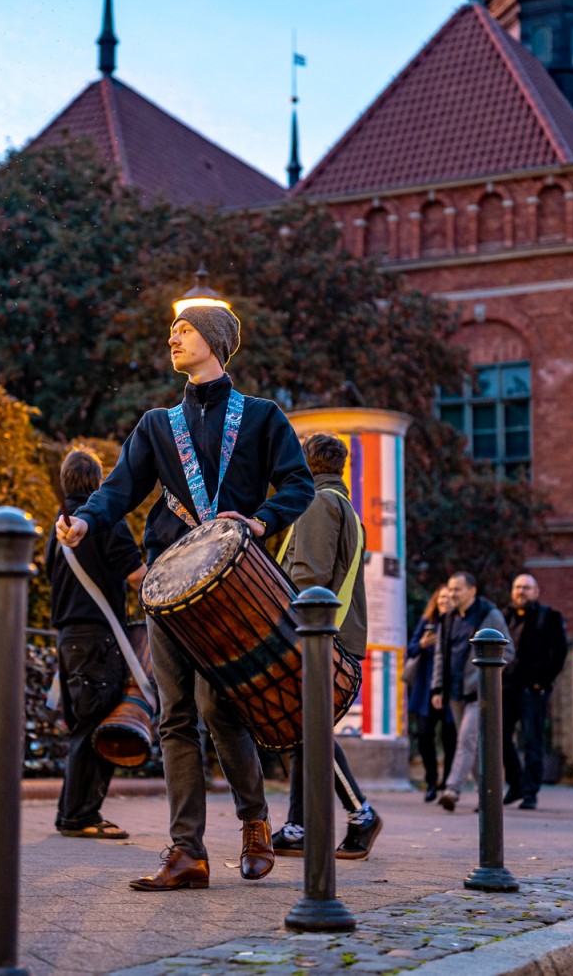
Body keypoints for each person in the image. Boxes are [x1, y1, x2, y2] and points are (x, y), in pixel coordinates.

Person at [57, 302, 314, 893]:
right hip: (170, 587)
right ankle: (187, 852)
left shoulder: (261, 417)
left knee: (223, 710)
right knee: (175, 716)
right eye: (172, 330)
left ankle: (254, 822)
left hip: (238, 583)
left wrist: (261, 521)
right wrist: (85, 522)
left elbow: (298, 485)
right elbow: (119, 489)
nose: (173, 338)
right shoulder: (155, 425)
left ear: (216, 341)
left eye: (185, 329)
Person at [271, 433, 382, 861]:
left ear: (306, 464)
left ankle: (361, 815)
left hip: (317, 636)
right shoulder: (344, 507)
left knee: (309, 729)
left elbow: (308, 577)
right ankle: (299, 827)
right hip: (337, 635)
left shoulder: (317, 504)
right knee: (305, 729)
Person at [45, 447, 147, 840]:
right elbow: (138, 576)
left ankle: (73, 812)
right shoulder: (104, 521)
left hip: (68, 640)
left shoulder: (58, 529)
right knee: (96, 726)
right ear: (99, 481)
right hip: (99, 639)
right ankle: (79, 816)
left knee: (81, 725)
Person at [429, 572, 509, 812]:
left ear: (472, 591)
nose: (453, 594)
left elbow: (509, 650)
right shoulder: (448, 618)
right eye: (451, 589)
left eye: (458, 589)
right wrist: (438, 687)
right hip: (454, 691)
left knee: (466, 740)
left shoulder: (489, 615)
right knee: (472, 746)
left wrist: (487, 677)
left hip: (479, 692)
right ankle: (489, 794)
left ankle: (452, 789)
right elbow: (441, 655)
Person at [500, 574, 568, 810]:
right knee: (500, 737)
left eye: (526, 588)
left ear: (536, 592)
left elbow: (559, 653)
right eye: (517, 587)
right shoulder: (504, 616)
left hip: (533, 688)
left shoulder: (548, 617)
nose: (521, 592)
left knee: (532, 740)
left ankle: (530, 792)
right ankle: (516, 784)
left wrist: (542, 681)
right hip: (507, 688)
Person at [407, 585, 456, 803]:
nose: (445, 601)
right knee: (425, 736)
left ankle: (447, 782)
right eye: (441, 597)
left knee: (450, 738)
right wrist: (422, 643)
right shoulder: (427, 622)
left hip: (450, 689)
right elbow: (411, 649)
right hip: (425, 689)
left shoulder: (459, 624)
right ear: (436, 600)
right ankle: (431, 781)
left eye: (449, 598)